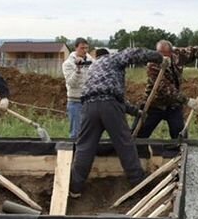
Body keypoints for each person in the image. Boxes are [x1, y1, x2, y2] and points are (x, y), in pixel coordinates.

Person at [69, 47, 162, 198]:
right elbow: (134, 54)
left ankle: (75, 187)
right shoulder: (112, 59)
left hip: (88, 106)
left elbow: (106, 93)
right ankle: (138, 182)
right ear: (108, 55)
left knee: (85, 146)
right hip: (109, 105)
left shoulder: (93, 68)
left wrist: (135, 111)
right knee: (125, 143)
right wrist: (157, 56)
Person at [136, 40, 198, 139]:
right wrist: (187, 101)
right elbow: (164, 89)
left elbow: (194, 51)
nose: (162, 57)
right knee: (140, 133)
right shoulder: (153, 64)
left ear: (171, 52)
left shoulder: (178, 54)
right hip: (154, 104)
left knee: (179, 135)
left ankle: (178, 151)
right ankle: (138, 151)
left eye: (165, 54)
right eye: (159, 54)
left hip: (173, 105)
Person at [62, 37, 94, 139]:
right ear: (76, 48)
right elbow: (71, 83)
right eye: (82, 48)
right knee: (76, 133)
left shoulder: (90, 61)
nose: (85, 51)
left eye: (86, 48)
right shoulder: (68, 64)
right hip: (75, 102)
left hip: (89, 101)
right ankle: (75, 153)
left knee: (90, 131)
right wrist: (78, 70)